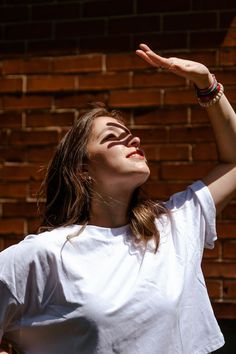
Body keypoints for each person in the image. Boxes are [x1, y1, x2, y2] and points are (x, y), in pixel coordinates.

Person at [0, 43, 236, 354]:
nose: (134, 139)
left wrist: (207, 84)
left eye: (130, 133)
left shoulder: (174, 227)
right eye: (113, 137)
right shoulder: (42, 256)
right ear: (83, 169)